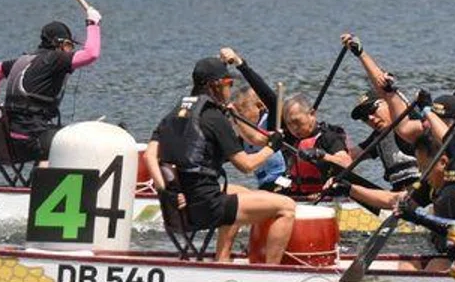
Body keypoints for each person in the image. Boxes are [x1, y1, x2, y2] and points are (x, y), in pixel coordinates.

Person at [143, 52, 297, 264]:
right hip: (206, 206)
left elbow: (150, 155)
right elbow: (246, 165)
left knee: (244, 193)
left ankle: (222, 260)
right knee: (286, 206)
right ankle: (270, 272)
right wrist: (272, 148)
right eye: (228, 83)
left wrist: (167, 192)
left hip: (180, 204)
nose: (230, 89)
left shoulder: (176, 112)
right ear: (215, 85)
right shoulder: (214, 117)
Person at [0, 1, 103, 165]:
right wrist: (92, 23)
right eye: (68, 46)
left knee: (56, 136)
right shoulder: (55, 59)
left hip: (10, 145)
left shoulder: (22, 61)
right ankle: (49, 183)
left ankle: (42, 174)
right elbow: (91, 54)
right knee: (87, 144)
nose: (70, 52)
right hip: (33, 141)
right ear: (57, 44)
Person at [276, 94, 353, 200]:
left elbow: (347, 163)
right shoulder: (291, 139)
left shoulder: (328, 137)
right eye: (289, 124)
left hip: (324, 198)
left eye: (297, 122)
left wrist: (321, 155)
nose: (294, 128)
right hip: (297, 197)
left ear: (312, 114)